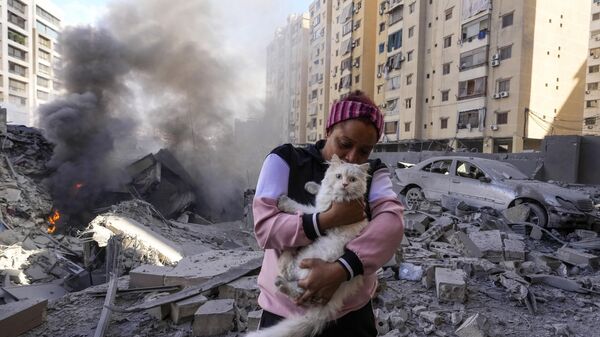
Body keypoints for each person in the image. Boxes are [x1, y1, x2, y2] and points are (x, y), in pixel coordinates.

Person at [252, 90, 404, 336]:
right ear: (328, 131)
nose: (352, 156)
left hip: (350, 315)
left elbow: (392, 224)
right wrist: (328, 220)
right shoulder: (285, 159)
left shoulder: (373, 172)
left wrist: (343, 269)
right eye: (344, 144)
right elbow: (265, 228)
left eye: (365, 151)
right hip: (284, 310)